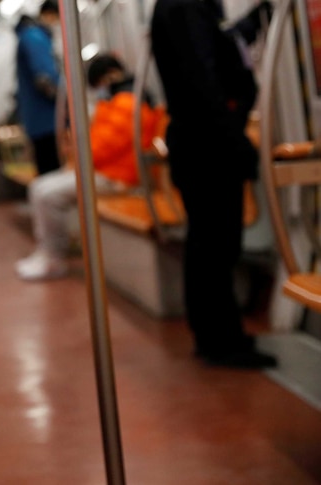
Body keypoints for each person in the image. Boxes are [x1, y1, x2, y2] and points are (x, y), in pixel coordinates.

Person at [150, 0, 277, 368]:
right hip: (207, 142)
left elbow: (212, 53)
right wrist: (236, 142)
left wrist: (248, 27)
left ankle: (217, 335)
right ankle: (221, 341)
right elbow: (201, 77)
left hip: (201, 138)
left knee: (210, 243)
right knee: (215, 245)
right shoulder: (186, 4)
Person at [15, 53, 165, 281]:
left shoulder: (128, 104)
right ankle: (48, 250)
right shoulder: (117, 103)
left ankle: (54, 255)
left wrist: (77, 154)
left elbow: (98, 148)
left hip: (119, 178)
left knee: (47, 194)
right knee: (39, 186)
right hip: (107, 171)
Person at [15, 1, 62, 177]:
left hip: (38, 119)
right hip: (47, 120)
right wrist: (67, 103)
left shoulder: (29, 36)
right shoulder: (35, 37)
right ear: (49, 14)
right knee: (51, 175)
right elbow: (45, 78)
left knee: (47, 173)